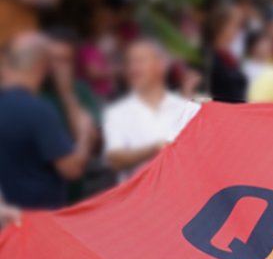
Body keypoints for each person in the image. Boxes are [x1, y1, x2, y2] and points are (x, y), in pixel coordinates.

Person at [0, 33, 94, 209]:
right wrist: (84, 134)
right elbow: (71, 169)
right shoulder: (37, 111)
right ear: (42, 65)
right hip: (35, 220)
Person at [103, 40, 201, 182]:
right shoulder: (117, 113)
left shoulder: (188, 110)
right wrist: (153, 149)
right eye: (129, 63)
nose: (133, 68)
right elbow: (114, 160)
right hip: (137, 200)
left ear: (161, 65)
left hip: (181, 198)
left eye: (140, 61)